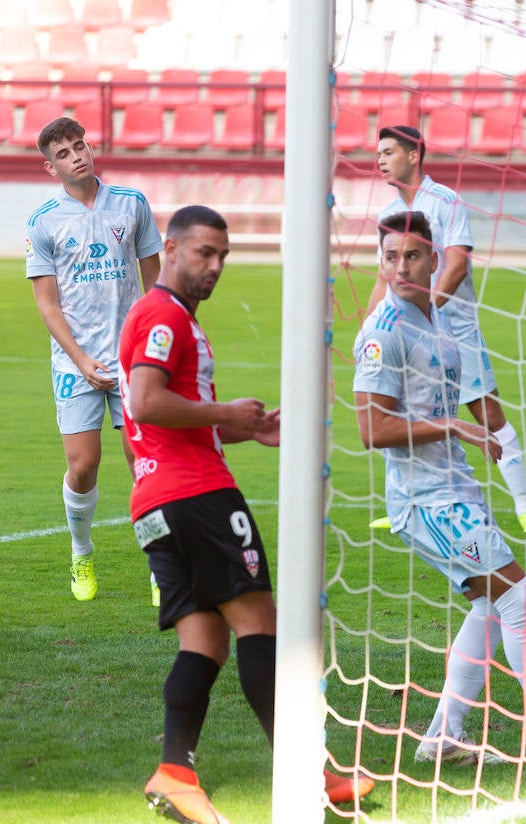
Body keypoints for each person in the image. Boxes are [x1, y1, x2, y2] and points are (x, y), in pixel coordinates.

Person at [122, 206, 374, 824]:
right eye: (204, 252)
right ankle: (307, 773)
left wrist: (244, 429)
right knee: (261, 625)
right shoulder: (163, 315)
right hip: (198, 497)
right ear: (172, 247)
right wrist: (225, 416)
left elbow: (161, 421)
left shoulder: (171, 318)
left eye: (223, 256)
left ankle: (175, 771)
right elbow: (146, 402)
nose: (214, 266)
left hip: (156, 501)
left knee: (203, 641)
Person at [355, 211, 526, 772]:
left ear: (436, 258)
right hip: (423, 501)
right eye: (392, 256)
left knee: (493, 607)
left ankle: (442, 735)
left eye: (414, 255)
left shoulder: (440, 323)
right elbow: (371, 430)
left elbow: (461, 401)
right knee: (519, 599)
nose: (401, 266)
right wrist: (454, 427)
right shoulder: (384, 333)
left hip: (455, 489)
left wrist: (475, 428)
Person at [364, 125, 526, 535]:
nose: (380, 160)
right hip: (403, 334)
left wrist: (428, 317)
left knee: (486, 413)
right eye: (378, 153)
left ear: (414, 156)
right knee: (394, 410)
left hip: (453, 329)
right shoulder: (386, 216)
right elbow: (385, 274)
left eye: (388, 152)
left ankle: (524, 506)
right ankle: (402, 506)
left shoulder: (445, 201)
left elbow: (457, 263)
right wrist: (372, 322)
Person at [26, 115, 162, 602]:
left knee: (143, 462)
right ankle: (81, 554)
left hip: (132, 360)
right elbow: (47, 303)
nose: (76, 156)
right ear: (50, 166)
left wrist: (151, 348)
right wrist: (82, 360)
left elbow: (155, 286)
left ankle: (160, 566)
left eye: (79, 146)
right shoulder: (43, 221)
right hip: (75, 364)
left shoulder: (132, 205)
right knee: (83, 465)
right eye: (64, 153)